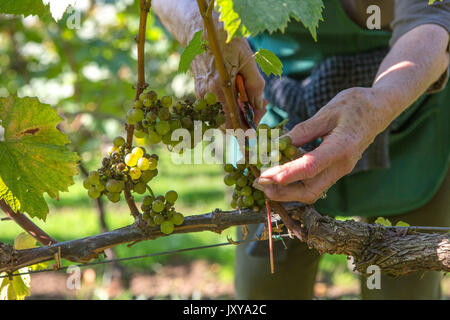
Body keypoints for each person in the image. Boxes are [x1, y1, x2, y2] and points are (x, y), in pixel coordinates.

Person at [154, 0, 450, 299]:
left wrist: (380, 101)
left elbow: (432, 19)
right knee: (265, 290)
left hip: (406, 107)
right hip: (274, 114)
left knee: (404, 286)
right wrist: (204, 31)